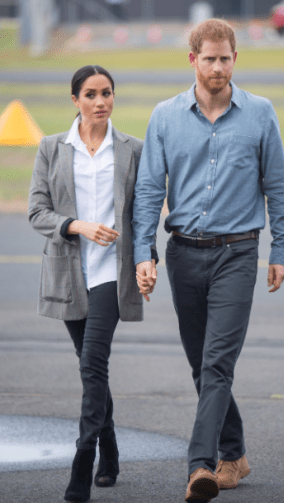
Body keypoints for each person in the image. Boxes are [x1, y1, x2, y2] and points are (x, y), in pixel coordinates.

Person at [133, 19, 284, 502]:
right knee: (201, 367)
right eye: (210, 59)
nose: (218, 67)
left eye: (226, 58)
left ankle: (202, 466)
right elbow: (147, 191)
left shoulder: (261, 114)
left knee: (218, 363)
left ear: (235, 59)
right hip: (183, 253)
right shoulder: (164, 117)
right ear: (193, 60)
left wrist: (281, 248)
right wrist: (145, 252)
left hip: (238, 254)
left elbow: (279, 188)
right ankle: (236, 450)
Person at [28, 65, 157, 503]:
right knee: (91, 366)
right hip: (68, 273)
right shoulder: (51, 148)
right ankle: (112, 452)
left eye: (107, 93)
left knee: (92, 364)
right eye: (90, 94)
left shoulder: (133, 149)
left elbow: (144, 214)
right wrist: (77, 225)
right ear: (75, 100)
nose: (100, 101)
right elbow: (37, 212)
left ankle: (82, 461)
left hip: (111, 274)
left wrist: (147, 257)